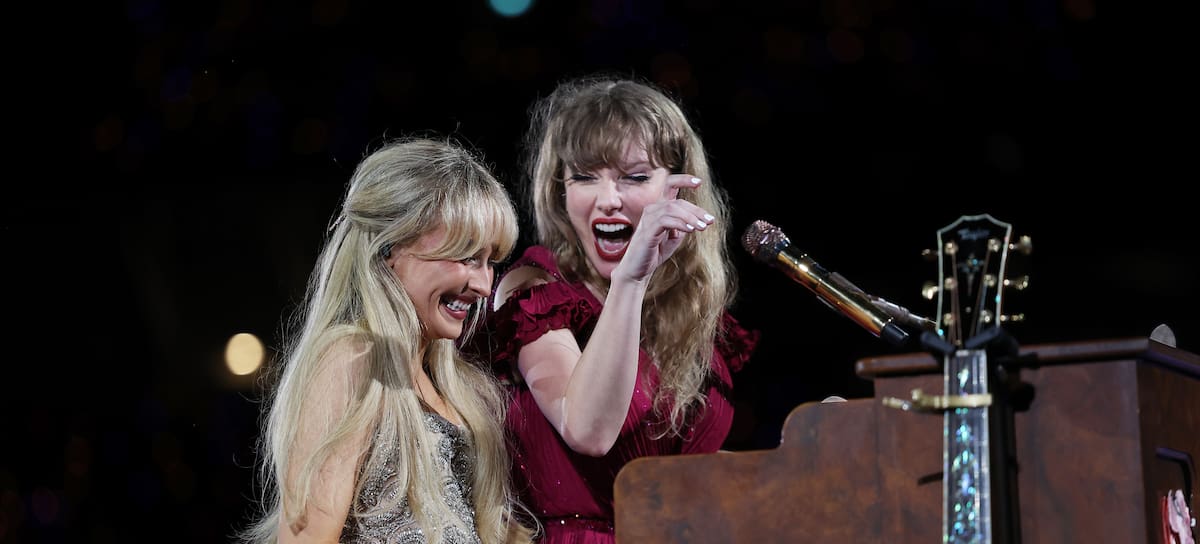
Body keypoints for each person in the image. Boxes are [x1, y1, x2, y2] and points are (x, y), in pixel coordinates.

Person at [475, 75, 760, 542]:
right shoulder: (535, 291)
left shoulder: (687, 312)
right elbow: (588, 430)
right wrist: (631, 280)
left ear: (680, 187)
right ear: (560, 191)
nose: (608, 200)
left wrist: (798, 460)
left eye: (635, 177)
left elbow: (684, 474)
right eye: (584, 177)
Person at [243, 138, 533, 544]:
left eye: (490, 262)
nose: (484, 285)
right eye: (467, 257)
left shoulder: (462, 389)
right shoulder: (352, 360)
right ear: (389, 248)